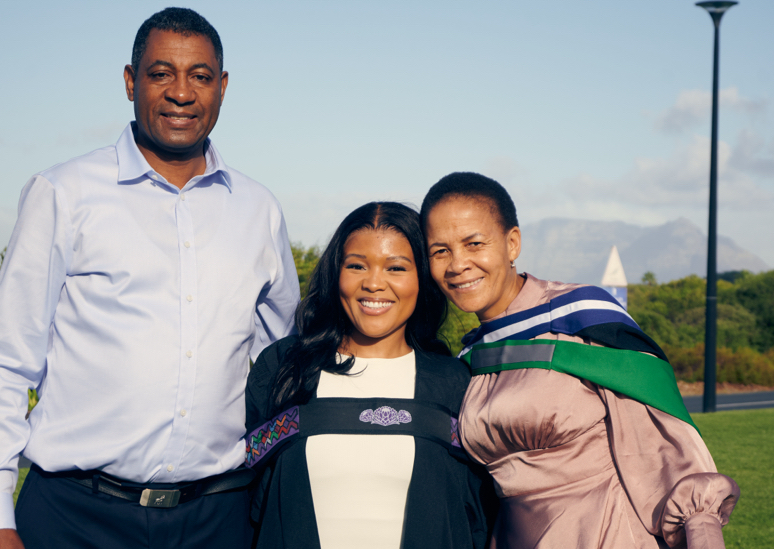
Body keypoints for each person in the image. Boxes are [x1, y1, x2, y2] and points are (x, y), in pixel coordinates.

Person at [0, 7, 300, 549]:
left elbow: (278, 363)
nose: (181, 93)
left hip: (218, 519)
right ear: (129, 81)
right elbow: (2, 360)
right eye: (161, 73)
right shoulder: (64, 193)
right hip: (75, 517)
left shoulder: (259, 210)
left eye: (200, 76)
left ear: (222, 87)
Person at [420, 172, 740, 549]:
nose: (458, 264)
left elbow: (664, 448)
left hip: (605, 533)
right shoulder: (471, 357)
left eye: (474, 243)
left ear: (512, 243)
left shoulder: (582, 317)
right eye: (440, 251)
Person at [245, 202, 494, 549]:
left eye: (396, 268)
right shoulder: (285, 368)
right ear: (336, 274)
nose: (374, 283)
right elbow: (249, 495)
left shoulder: (455, 383)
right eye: (357, 266)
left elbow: (480, 513)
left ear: (422, 279)